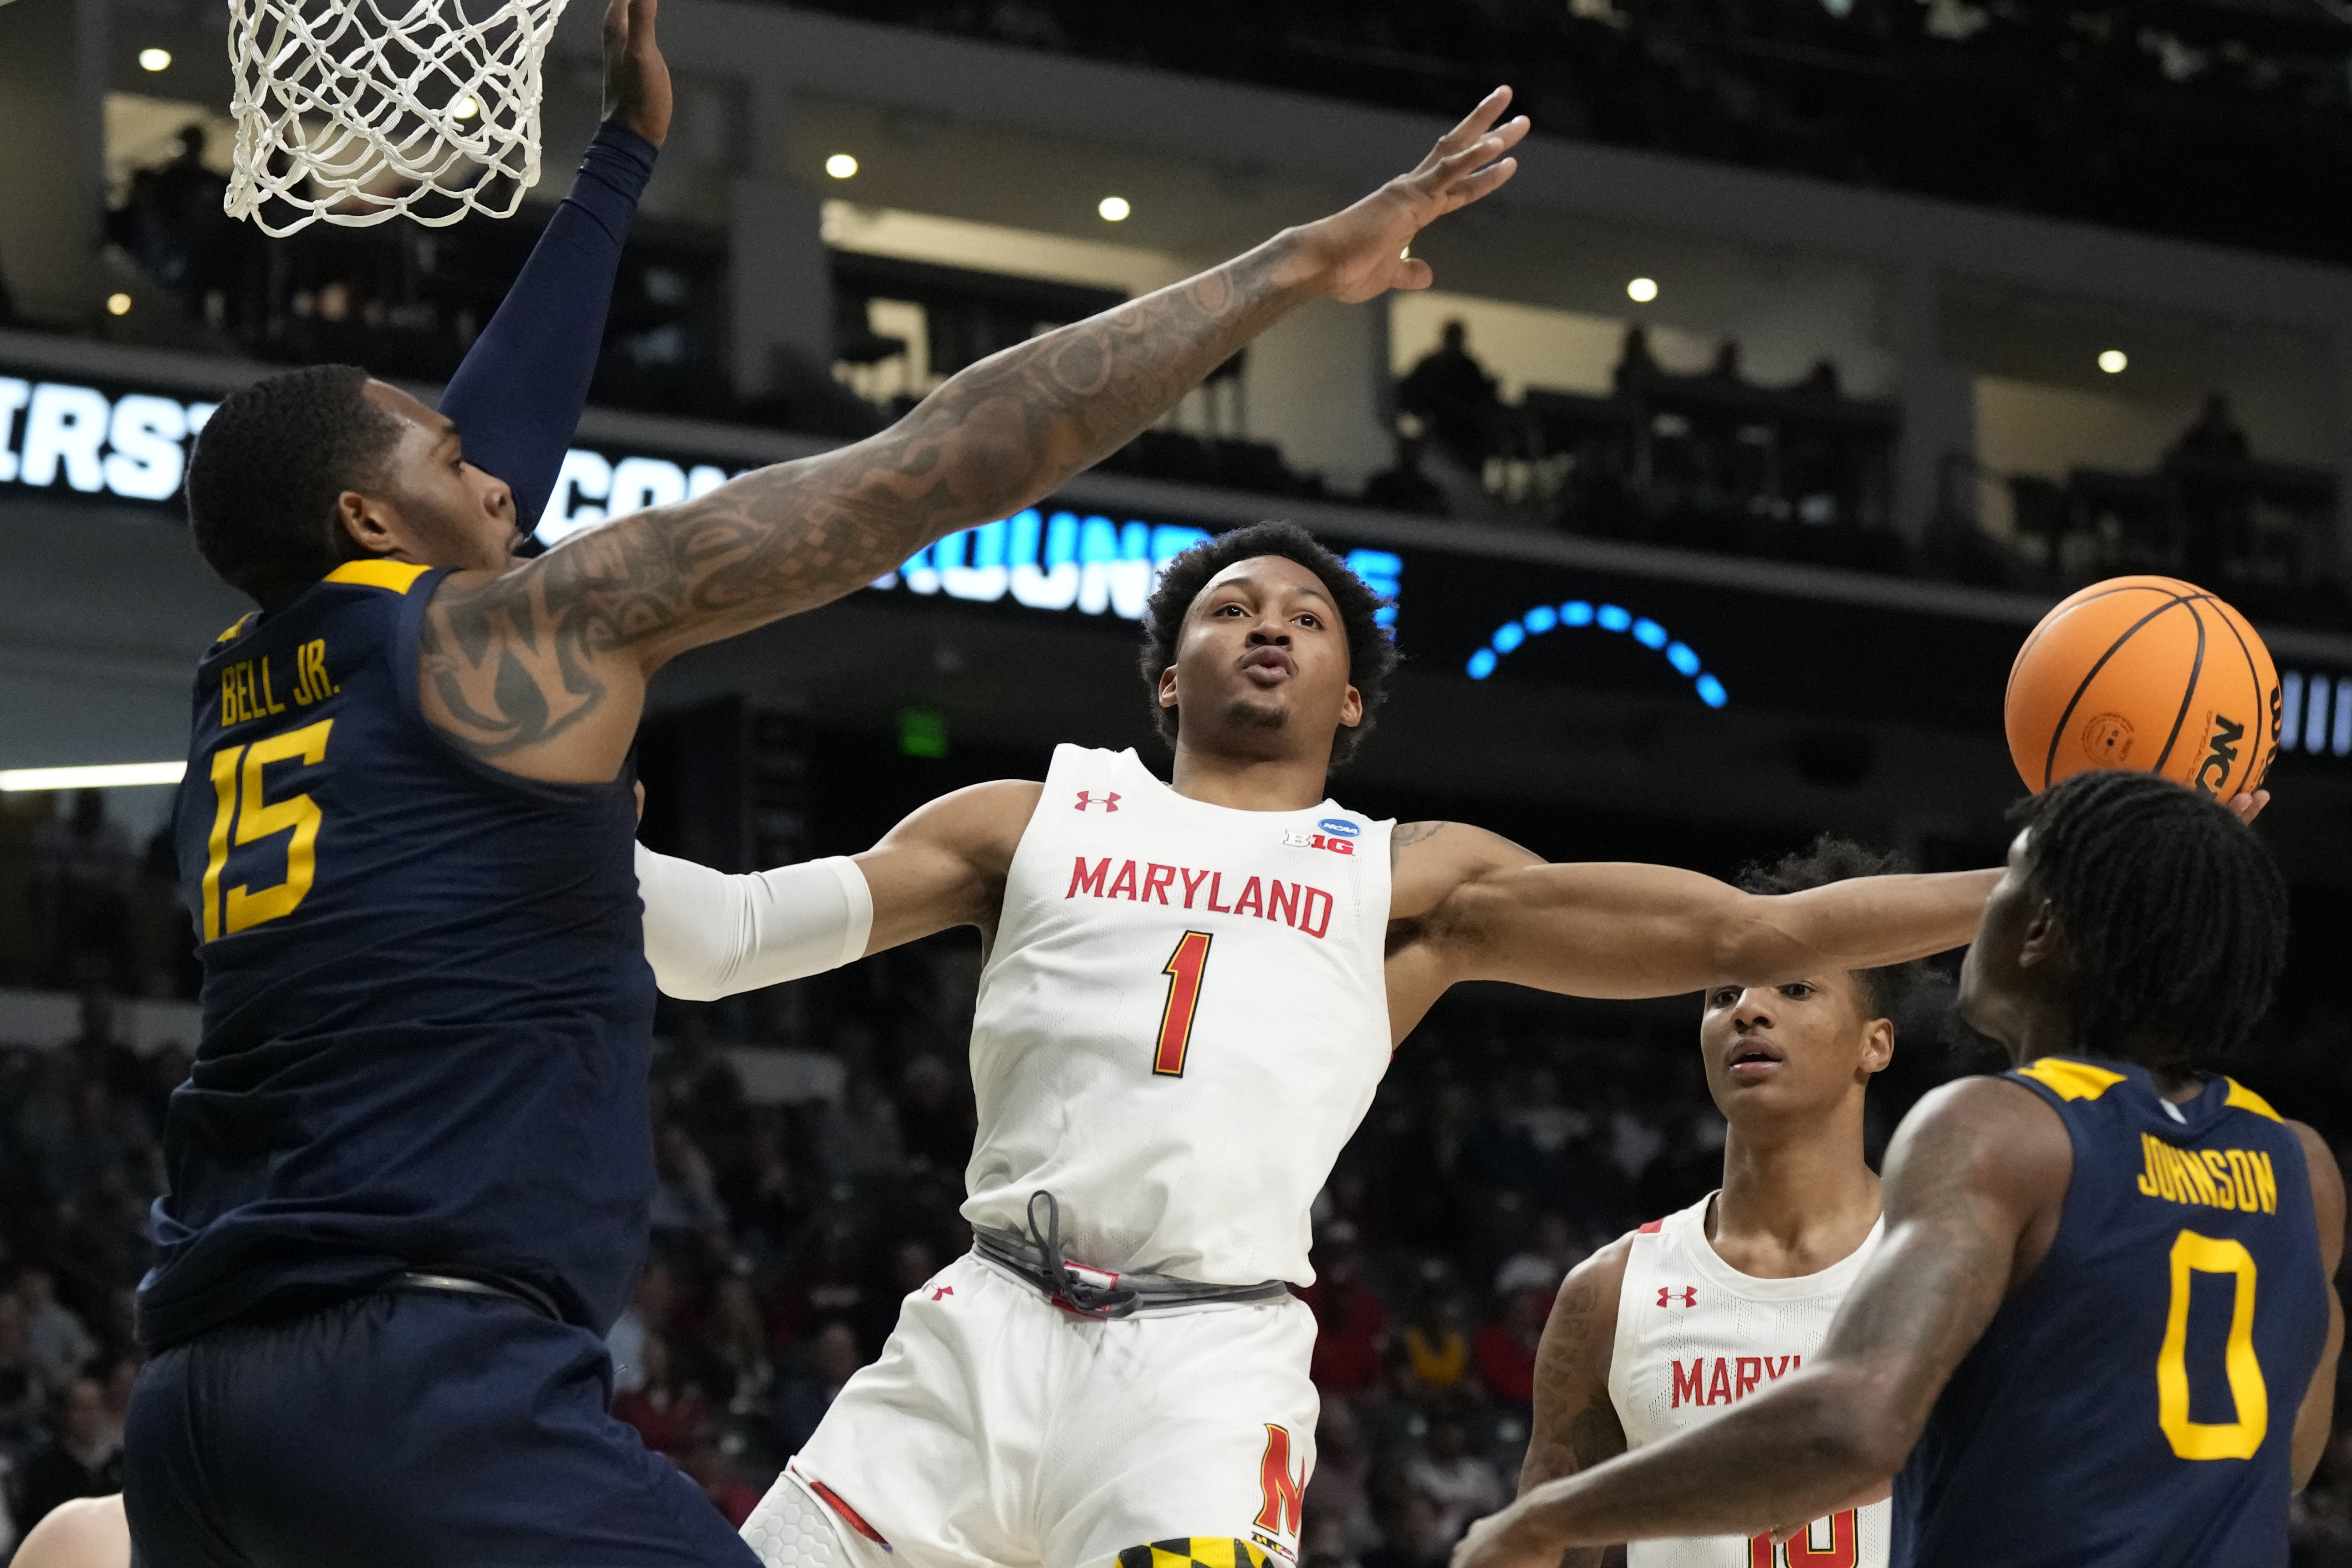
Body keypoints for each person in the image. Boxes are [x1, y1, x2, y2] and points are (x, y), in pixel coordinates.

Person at [123, 57, 1536, 1568]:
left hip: (200, 1410)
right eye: (455, 458)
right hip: (419, 1379)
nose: (501, 480)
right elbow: (958, 451)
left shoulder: (261, 674)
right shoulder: (512, 638)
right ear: (371, 518)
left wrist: (620, 164)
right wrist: (1297, 265)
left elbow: (458, 464)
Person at [628, 517, 2005, 1568]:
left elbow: (1750, 935)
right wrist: (546, 822)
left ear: (1351, 701)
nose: (1267, 626)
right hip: (979, 1327)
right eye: (1229, 610)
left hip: (1201, 1370)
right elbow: (719, 941)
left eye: (1306, 617)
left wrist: (2022, 886)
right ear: (1168, 678)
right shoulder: (1029, 815)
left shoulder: (1405, 879)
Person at [1454, 770, 2338, 1568]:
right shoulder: (2301, 1168)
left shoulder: (2001, 1130)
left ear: (2039, 931)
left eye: (2006, 884)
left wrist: (1544, 1520)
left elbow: (1851, 1426)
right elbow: (2291, 1453)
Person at [1516, 837, 1918, 1567]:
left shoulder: (1950, 1272)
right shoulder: (1610, 1292)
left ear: (1875, 1044)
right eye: (1722, 994)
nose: (1748, 1012)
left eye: (1793, 989)